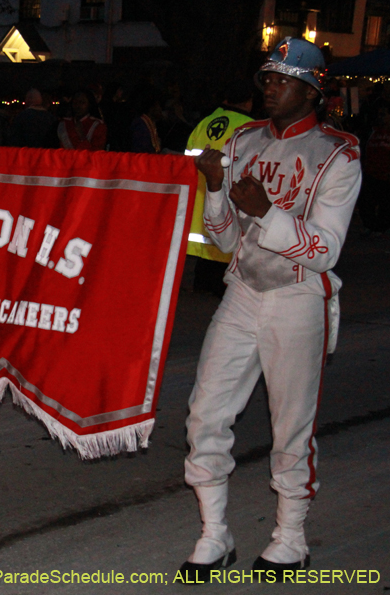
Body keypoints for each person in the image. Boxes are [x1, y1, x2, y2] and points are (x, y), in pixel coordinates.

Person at [181, 37, 362, 581]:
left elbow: (326, 249)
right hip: (242, 290)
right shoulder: (244, 139)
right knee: (205, 413)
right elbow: (221, 238)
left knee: (291, 427)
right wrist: (216, 189)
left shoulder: (339, 152)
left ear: (311, 91)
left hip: (298, 296)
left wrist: (268, 210)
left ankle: (290, 537)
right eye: (267, 78)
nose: (270, 89)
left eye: (283, 80)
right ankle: (215, 534)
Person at [184, 81, 254, 297]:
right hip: (227, 208)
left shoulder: (203, 123)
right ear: (249, 101)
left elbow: (188, 165)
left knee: (204, 272)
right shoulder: (251, 128)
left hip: (199, 206)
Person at [358, 99, 390, 236]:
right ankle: (371, 226)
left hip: (386, 174)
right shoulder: (372, 131)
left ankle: (381, 227)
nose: (380, 117)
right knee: (366, 202)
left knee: (386, 203)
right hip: (371, 173)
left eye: (383, 114)